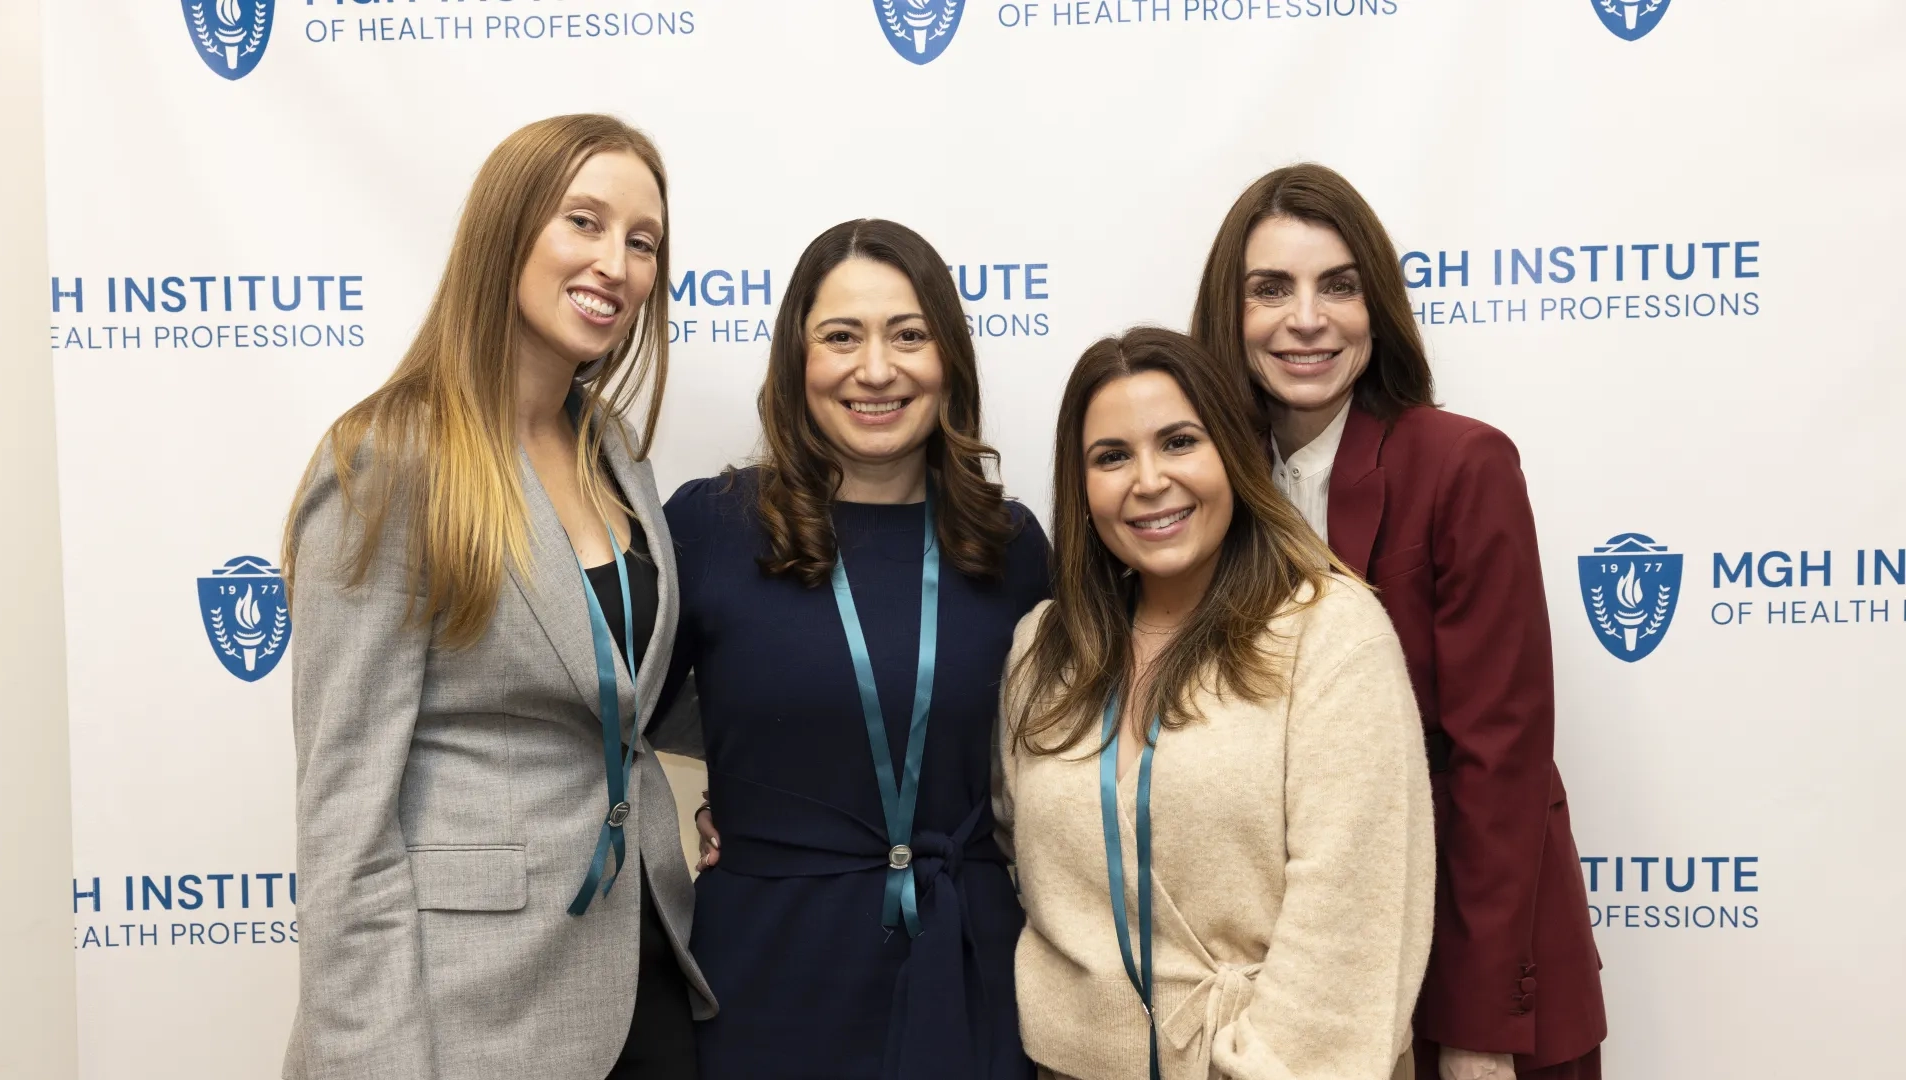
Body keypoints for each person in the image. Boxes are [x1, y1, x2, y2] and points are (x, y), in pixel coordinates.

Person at [281, 115, 710, 1080]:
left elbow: (626, 693)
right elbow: (346, 818)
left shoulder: (614, 452)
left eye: (642, 241)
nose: (615, 264)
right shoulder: (388, 460)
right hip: (468, 1005)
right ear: (507, 228)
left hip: (644, 966)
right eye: (584, 222)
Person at [1190, 163, 1607, 1080]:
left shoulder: (1463, 465)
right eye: (1271, 289)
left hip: (1465, 963)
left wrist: (1477, 1029)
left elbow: (1502, 763)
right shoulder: (1198, 483)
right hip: (1295, 981)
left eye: (1338, 285)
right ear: (1229, 312)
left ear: (1376, 306)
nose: (1307, 319)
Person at [657, 219, 1047, 1080]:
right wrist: (714, 804)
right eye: (841, 337)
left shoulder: (1012, 545)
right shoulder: (711, 526)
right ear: (796, 360)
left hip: (969, 970)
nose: (876, 369)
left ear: (949, 358)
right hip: (766, 974)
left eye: (908, 335)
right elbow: (608, 727)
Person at [996, 327, 1433, 1080]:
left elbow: (1354, 911)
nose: (1149, 480)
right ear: (1081, 486)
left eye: (1179, 442)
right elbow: (1017, 851)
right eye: (1112, 457)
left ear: (1231, 451)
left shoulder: (1330, 630)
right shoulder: (1044, 648)